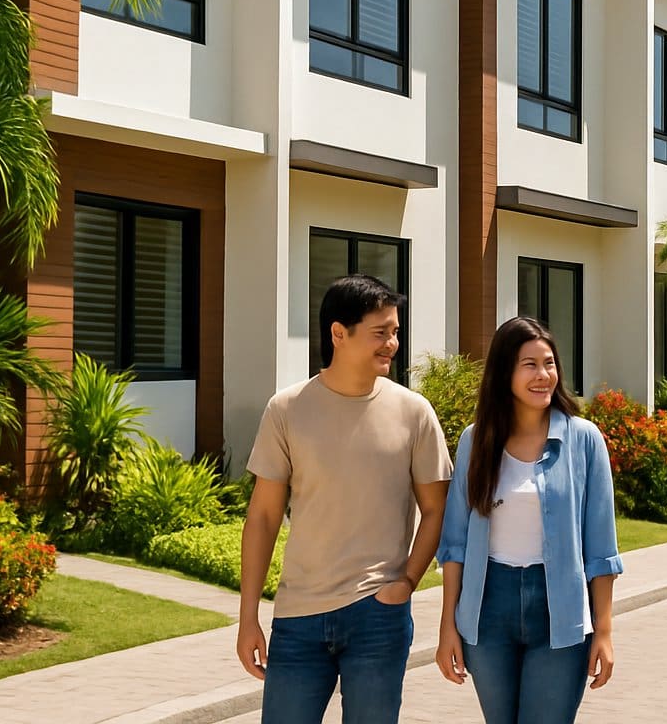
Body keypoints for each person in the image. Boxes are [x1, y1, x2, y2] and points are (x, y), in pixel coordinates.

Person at [237, 274, 453, 724]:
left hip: (379, 614)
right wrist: (248, 617)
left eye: (395, 332)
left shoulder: (414, 413)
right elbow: (262, 518)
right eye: (381, 332)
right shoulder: (287, 409)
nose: (392, 343)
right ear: (339, 333)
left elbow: (437, 510)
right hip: (298, 617)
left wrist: (407, 583)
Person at [434, 316, 623, 724]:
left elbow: (602, 549)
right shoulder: (476, 439)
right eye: (530, 365)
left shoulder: (584, 439)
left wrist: (604, 633)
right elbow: (456, 542)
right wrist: (448, 625)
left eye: (550, 363)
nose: (544, 376)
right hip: (488, 609)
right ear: (505, 372)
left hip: (559, 607)